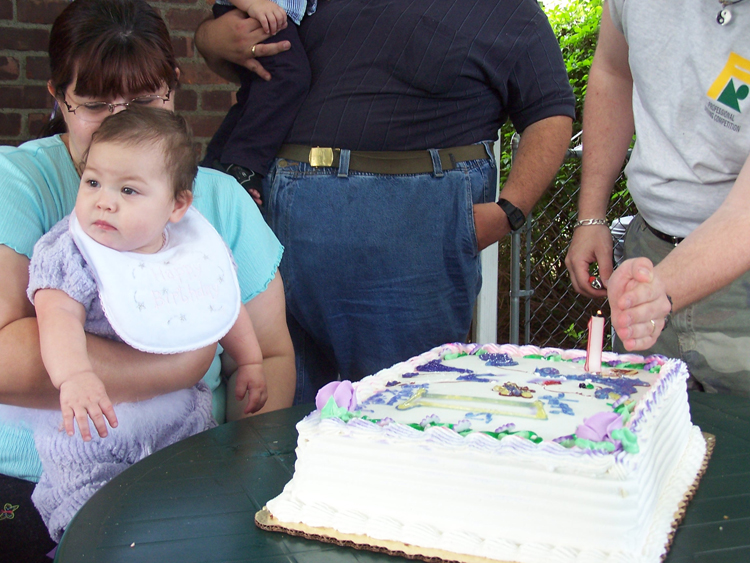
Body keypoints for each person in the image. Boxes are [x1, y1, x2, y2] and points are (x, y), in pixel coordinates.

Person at [0, 1, 294, 559]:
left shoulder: (219, 205)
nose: (119, 121)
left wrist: (246, 473)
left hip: (187, 468)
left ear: (173, 90)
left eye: (143, 100)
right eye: (92, 104)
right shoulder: (17, 185)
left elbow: (271, 353)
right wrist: (178, 364)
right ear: (57, 98)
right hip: (36, 479)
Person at [195, 0, 575, 403]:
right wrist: (211, 39)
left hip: (411, 244)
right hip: (277, 223)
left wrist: (509, 211)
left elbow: (550, 110)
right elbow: (248, 54)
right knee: (280, 427)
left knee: (398, 416)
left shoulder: (508, 9)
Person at [33, 106, 268, 442]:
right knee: (86, 487)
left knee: (189, 479)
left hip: (183, 421)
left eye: (128, 190)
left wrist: (249, 361)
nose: (104, 201)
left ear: (176, 206)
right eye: (93, 182)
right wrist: (74, 376)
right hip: (98, 421)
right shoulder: (73, 252)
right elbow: (56, 318)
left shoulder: (194, 250)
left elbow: (220, 304)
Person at [564, 0, 750, 397]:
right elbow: (614, 71)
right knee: (643, 437)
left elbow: (744, 214)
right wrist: (591, 216)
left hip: (737, 281)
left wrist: (656, 289)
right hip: (648, 249)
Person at [202, 0, 314, 201]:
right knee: (290, 76)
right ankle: (241, 164)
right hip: (261, 15)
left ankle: (213, 166)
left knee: (257, 96)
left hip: (271, 16)